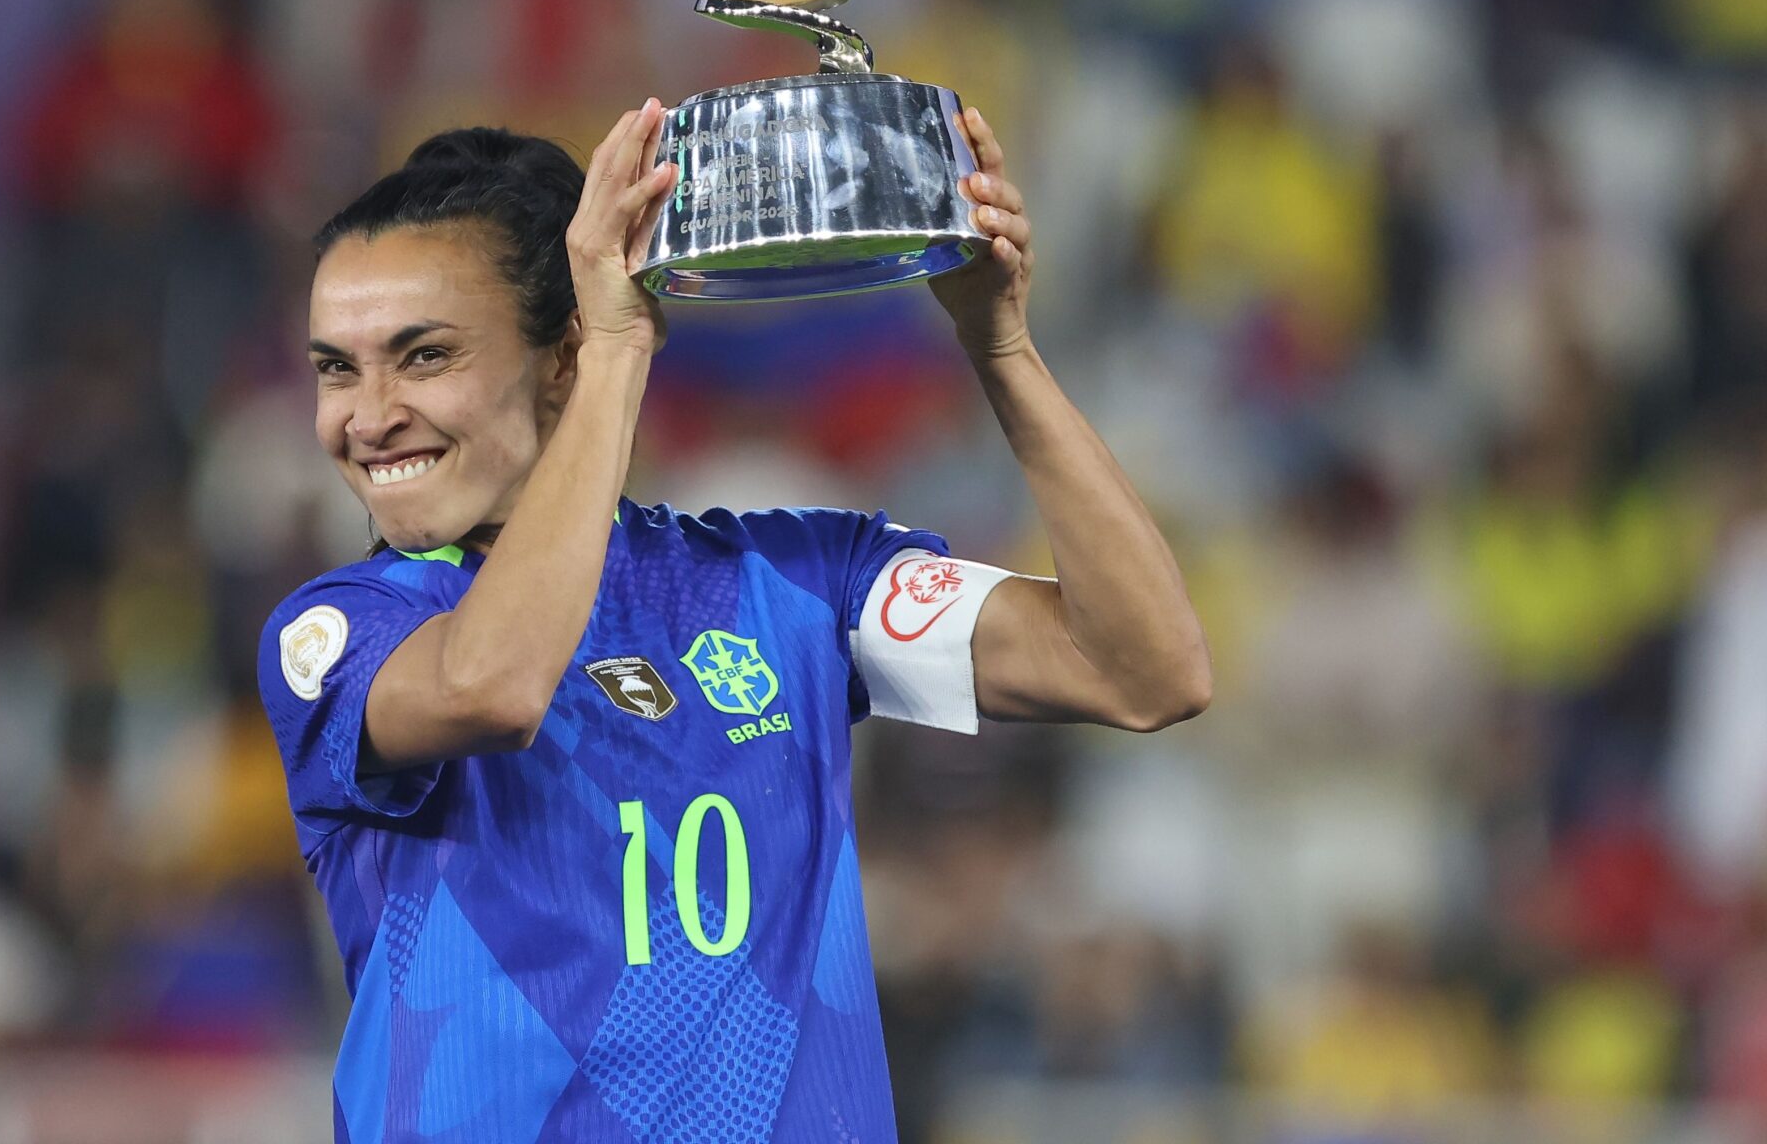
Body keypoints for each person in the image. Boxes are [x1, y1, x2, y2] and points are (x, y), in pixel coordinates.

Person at [261, 98, 1212, 1142]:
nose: (367, 415)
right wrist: (621, 350)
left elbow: (1143, 672)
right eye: (336, 367)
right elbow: (495, 685)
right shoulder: (342, 633)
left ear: (558, 358)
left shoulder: (789, 584)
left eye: (424, 356)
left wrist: (1001, 347)